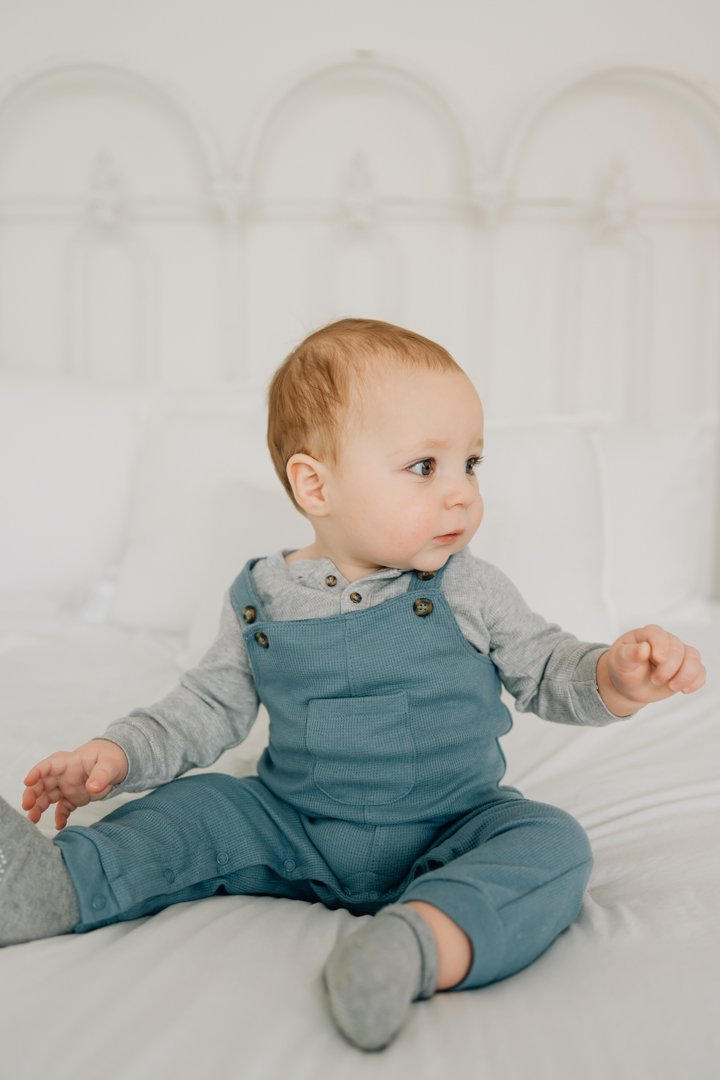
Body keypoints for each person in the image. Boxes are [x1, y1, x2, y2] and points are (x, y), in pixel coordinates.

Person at [1, 318, 706, 1052]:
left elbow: (549, 668)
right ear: (315, 484)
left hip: (452, 825)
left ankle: (415, 944)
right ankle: (55, 885)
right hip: (292, 823)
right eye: (425, 466)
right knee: (196, 807)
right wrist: (117, 754)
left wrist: (614, 675)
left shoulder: (468, 587)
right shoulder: (261, 597)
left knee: (551, 842)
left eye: (471, 463)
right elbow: (205, 707)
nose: (461, 494)